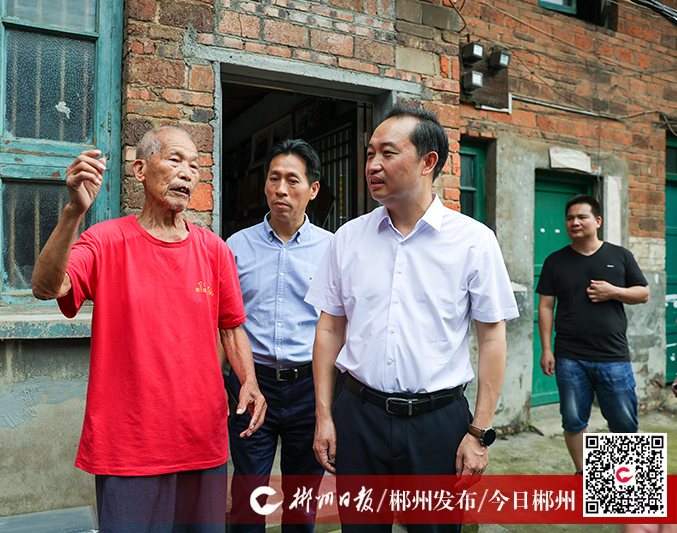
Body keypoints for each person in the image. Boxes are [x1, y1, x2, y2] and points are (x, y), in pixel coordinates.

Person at [31, 126, 267, 532]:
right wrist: (73, 211)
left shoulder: (214, 250)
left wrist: (250, 381)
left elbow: (230, 326)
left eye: (194, 166)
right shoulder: (105, 241)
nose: (187, 172)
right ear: (140, 170)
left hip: (203, 441)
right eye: (175, 160)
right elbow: (46, 287)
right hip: (130, 446)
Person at [304, 104, 519, 533]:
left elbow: (493, 339)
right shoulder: (348, 238)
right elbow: (329, 329)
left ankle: (638, 511)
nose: (373, 164)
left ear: (428, 162)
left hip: (437, 424)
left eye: (388, 153)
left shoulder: (473, 241)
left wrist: (479, 432)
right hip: (360, 416)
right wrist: (324, 415)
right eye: (370, 154)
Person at [224, 139, 332, 532]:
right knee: (249, 499)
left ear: (313, 189)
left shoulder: (332, 249)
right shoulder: (237, 246)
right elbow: (225, 323)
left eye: (292, 180)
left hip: (308, 388)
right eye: (274, 179)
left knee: (302, 503)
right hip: (252, 386)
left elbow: (339, 324)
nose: (281, 189)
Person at [537, 194, 649, 476]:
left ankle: (626, 483)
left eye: (582, 217)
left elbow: (643, 293)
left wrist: (614, 292)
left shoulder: (620, 256)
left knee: (624, 422)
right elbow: (546, 306)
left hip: (613, 355)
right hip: (570, 356)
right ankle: (584, 475)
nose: (575, 222)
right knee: (573, 419)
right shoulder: (555, 261)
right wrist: (546, 349)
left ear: (597, 221)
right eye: (570, 218)